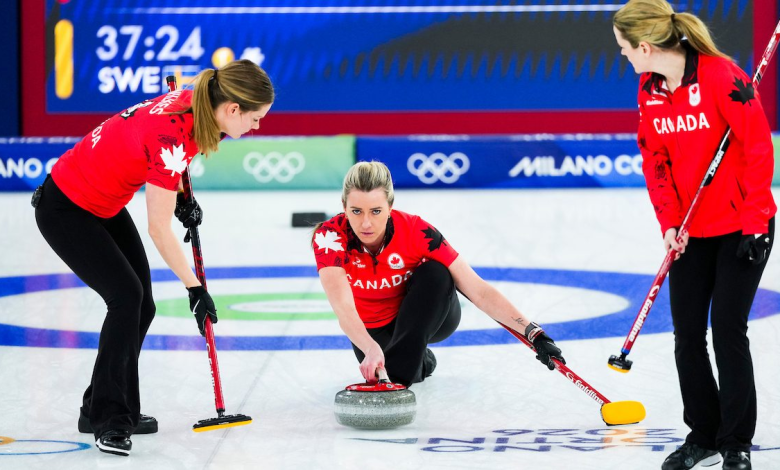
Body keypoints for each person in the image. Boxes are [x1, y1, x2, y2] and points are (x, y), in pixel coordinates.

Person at [33, 59, 274, 456]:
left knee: (142, 306)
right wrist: (195, 289)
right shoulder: (172, 134)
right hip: (66, 209)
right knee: (126, 298)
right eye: (256, 118)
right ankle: (110, 420)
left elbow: (159, 159)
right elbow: (159, 229)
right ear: (232, 109)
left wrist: (182, 198)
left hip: (103, 204)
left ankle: (97, 405)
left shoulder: (196, 105)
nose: (257, 127)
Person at [613, 2, 776, 469]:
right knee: (687, 335)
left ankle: (736, 442)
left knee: (727, 330)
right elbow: (655, 160)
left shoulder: (723, 77)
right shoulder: (650, 90)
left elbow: (757, 149)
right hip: (689, 230)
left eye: (625, 49)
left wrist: (756, 221)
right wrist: (668, 223)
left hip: (743, 225)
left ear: (645, 46)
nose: (624, 57)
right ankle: (702, 434)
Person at [311, 161, 565, 389]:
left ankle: (403, 371)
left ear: (390, 206)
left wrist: (534, 334)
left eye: (376, 211)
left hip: (428, 316)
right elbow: (343, 307)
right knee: (394, 361)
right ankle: (418, 359)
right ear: (343, 206)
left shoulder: (417, 232)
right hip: (373, 328)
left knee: (437, 272)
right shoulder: (329, 237)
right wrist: (369, 347)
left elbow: (478, 290)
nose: (366, 223)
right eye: (356, 211)